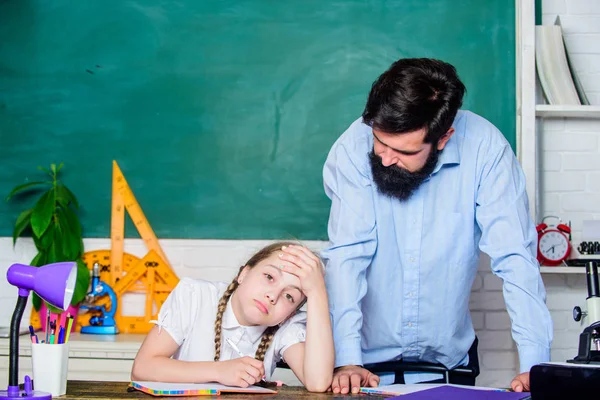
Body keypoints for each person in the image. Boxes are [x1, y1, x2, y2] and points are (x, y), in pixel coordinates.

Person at [322, 58, 553, 394]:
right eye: (379, 141)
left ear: (443, 138)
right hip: (360, 368)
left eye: (401, 150)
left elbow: (515, 258)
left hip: (448, 368)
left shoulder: (486, 150)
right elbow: (347, 257)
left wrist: (536, 367)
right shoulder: (352, 148)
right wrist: (346, 358)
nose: (384, 158)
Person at [131, 242, 334, 392]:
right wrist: (219, 371)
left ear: (289, 314)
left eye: (289, 296)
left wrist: (317, 292)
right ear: (244, 273)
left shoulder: (286, 327)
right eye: (269, 277)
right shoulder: (195, 296)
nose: (273, 296)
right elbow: (142, 368)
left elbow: (317, 382)